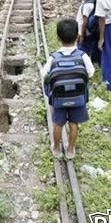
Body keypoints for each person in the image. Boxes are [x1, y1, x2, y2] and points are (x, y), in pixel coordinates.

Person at [42, 18, 95, 159]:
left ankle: (56, 148)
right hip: (78, 98)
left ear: (58, 38)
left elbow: (44, 74)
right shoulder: (83, 56)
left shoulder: (54, 58)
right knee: (73, 124)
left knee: (58, 124)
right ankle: (71, 150)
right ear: (77, 36)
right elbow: (91, 72)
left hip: (59, 99)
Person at [76, 0, 101, 64]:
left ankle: (83, 67)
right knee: (92, 49)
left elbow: (84, 22)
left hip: (85, 34)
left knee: (82, 52)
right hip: (91, 33)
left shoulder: (87, 5)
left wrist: (82, 35)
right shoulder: (92, 1)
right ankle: (94, 63)